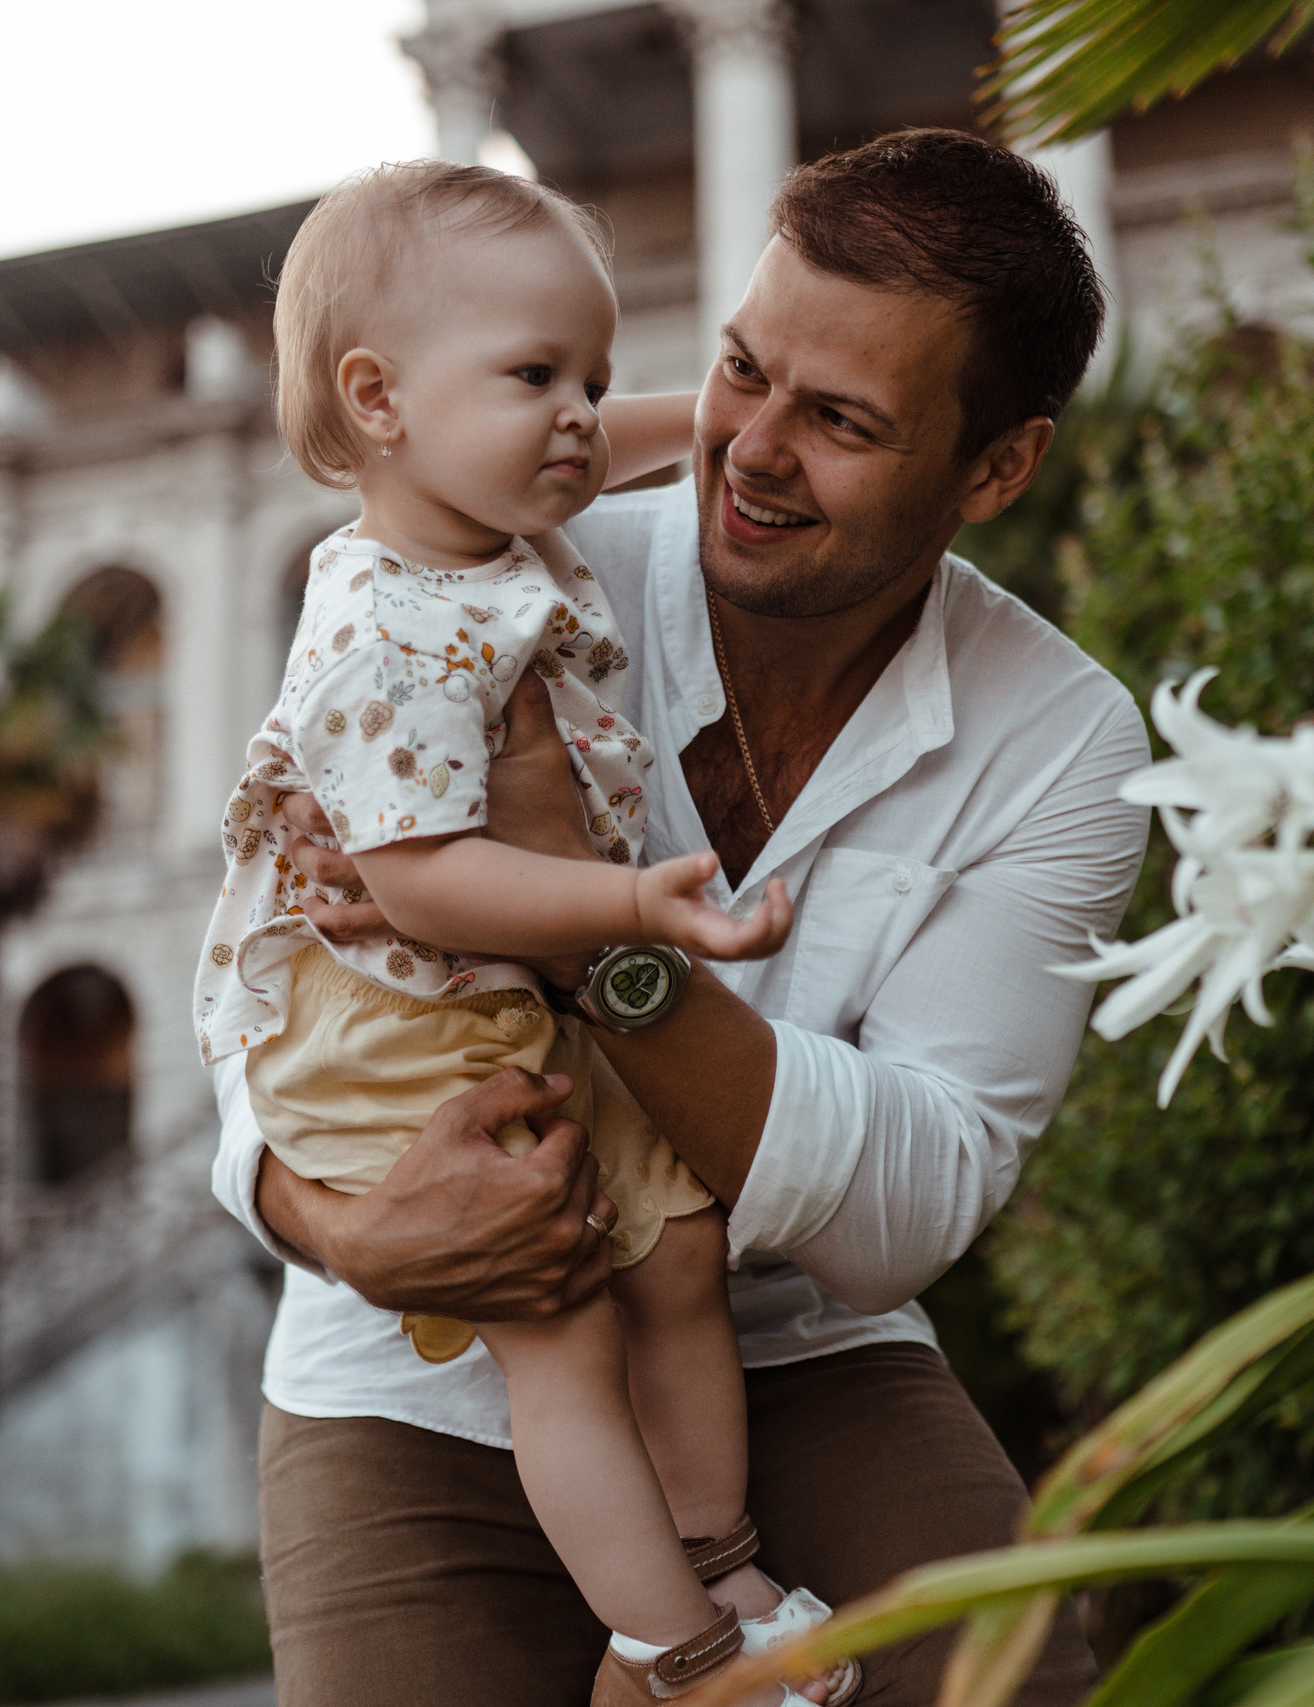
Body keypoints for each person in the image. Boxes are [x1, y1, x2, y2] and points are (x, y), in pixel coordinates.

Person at [211, 128, 1151, 1706]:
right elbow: (276, 972)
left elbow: (904, 1211)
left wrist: (599, 945)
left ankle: (708, 1592)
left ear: (998, 468)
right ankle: (691, 1637)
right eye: (739, 372)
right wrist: (351, 1232)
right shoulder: (490, 562)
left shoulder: (1062, 738)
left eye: (840, 419)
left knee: (1017, 1680)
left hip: (782, 1334)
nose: (751, 453)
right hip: (417, 1346)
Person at [196, 159, 846, 1706]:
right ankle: (684, 1657)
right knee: (557, 1322)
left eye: (593, 381)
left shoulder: (484, 527)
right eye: (536, 376)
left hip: (508, 997)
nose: (582, 417)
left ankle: (719, 1560)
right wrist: (632, 903)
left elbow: (634, 440)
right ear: (379, 399)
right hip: (395, 1024)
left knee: (676, 1250)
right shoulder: (385, 628)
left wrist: (738, 419)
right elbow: (421, 881)